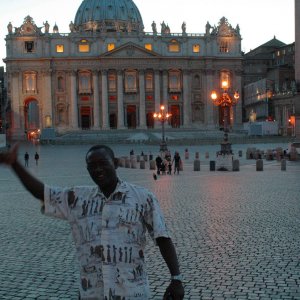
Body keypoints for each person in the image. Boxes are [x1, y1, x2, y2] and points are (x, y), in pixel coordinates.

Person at [0, 144, 184, 300]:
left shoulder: (143, 197)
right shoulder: (77, 198)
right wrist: (15, 164)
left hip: (132, 292)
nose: (97, 169)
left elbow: (162, 238)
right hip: (92, 293)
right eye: (91, 166)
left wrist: (176, 278)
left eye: (103, 163)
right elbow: (43, 193)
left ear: (116, 164)